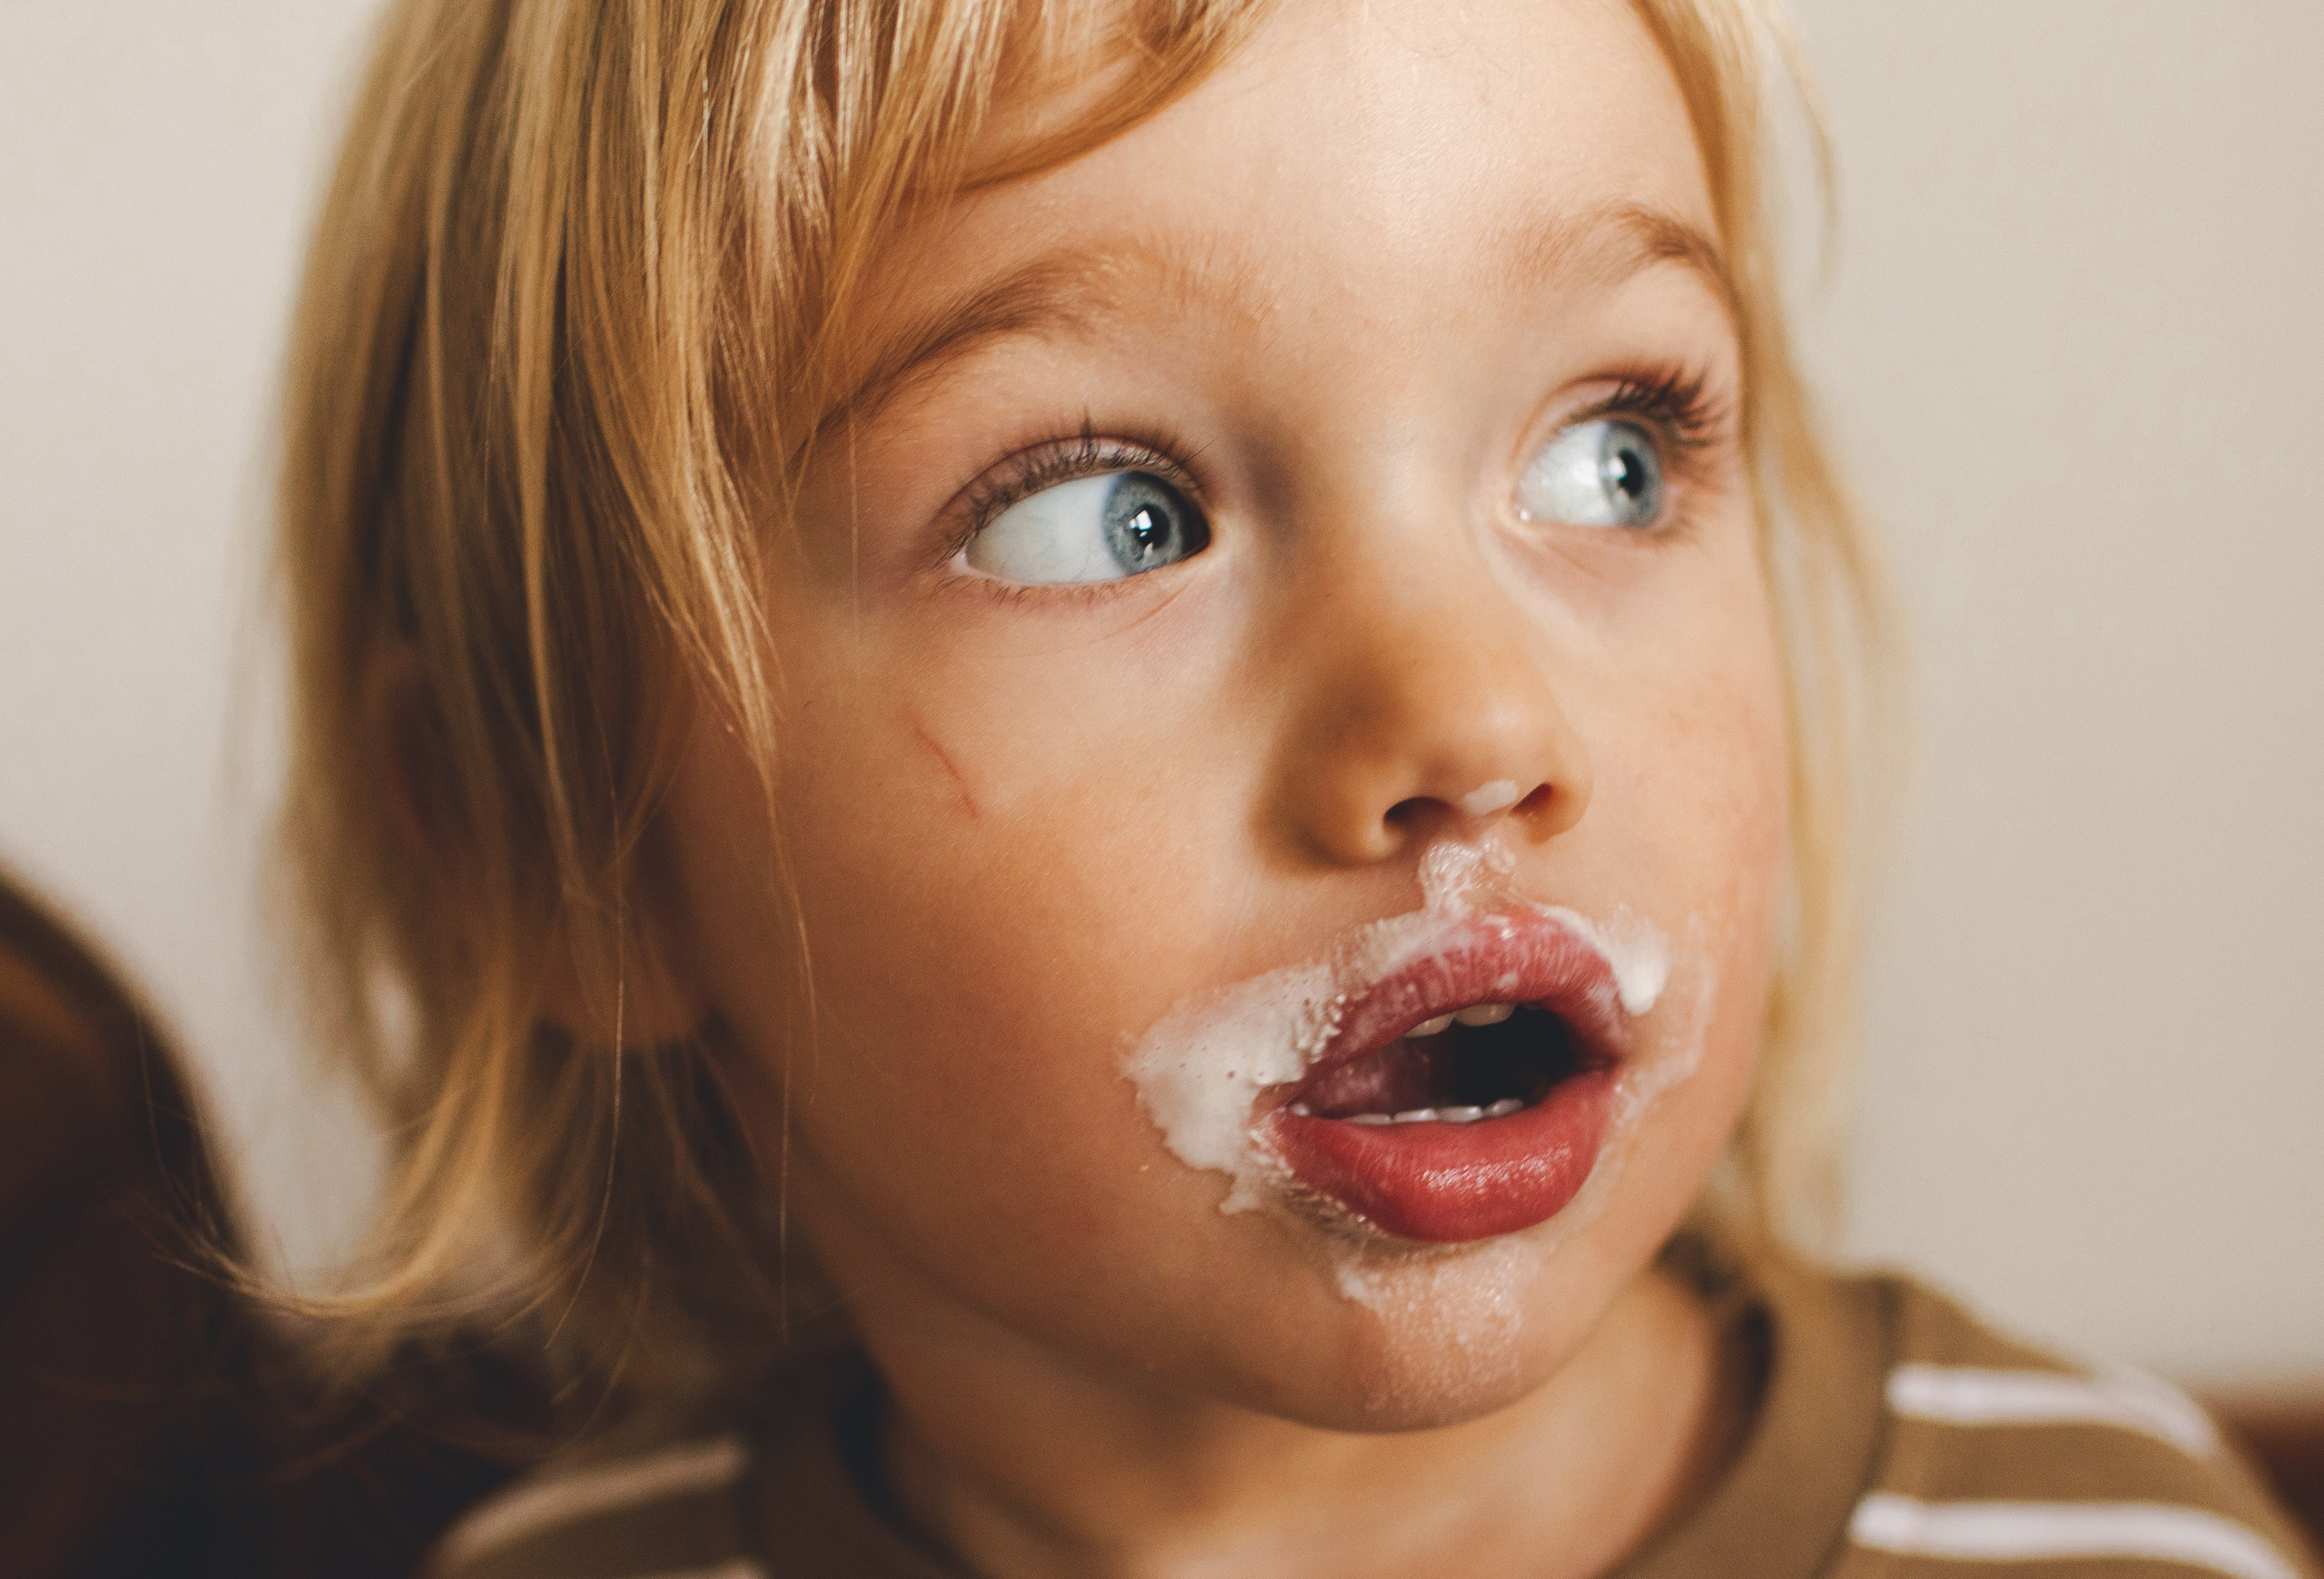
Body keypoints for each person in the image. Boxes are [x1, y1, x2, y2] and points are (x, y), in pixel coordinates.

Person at [269, 1, 2320, 1575]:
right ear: (567, 848)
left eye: (1609, 451)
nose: (1468, 726)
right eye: (1106, 518)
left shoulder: (2119, 1545)